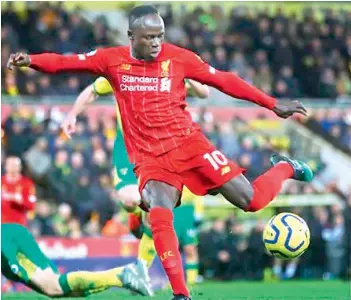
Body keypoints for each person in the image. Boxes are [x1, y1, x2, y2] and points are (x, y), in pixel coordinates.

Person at [7, 5, 313, 299]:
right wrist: (31, 59)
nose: (156, 43)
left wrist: (273, 103)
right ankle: (181, 294)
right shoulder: (111, 60)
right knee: (158, 209)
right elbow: (66, 62)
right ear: (131, 36)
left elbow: (224, 80)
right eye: (149, 37)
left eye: (159, 36)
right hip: (150, 158)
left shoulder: (178, 58)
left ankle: (284, 167)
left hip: (190, 145)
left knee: (254, 201)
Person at [61, 75, 207, 286]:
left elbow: (204, 92)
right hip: (128, 148)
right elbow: (91, 91)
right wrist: (72, 115)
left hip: (158, 148)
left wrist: (187, 73)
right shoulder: (120, 70)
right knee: (130, 200)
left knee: (153, 210)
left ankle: (141, 272)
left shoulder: (168, 70)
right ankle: (135, 217)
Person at [1, 223, 153, 297]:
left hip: (10, 242)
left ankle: (124, 274)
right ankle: (123, 276)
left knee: (53, 286)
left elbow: (8, 255)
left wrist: (19, 271)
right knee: (68, 293)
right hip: (11, 238)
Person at [1, 156, 36, 226]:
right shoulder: (1, 181)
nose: (13, 167)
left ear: (20, 167)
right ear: (5, 166)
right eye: (11, 165)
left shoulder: (27, 183)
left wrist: (19, 200)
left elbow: (32, 205)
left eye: (15, 165)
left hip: (19, 225)